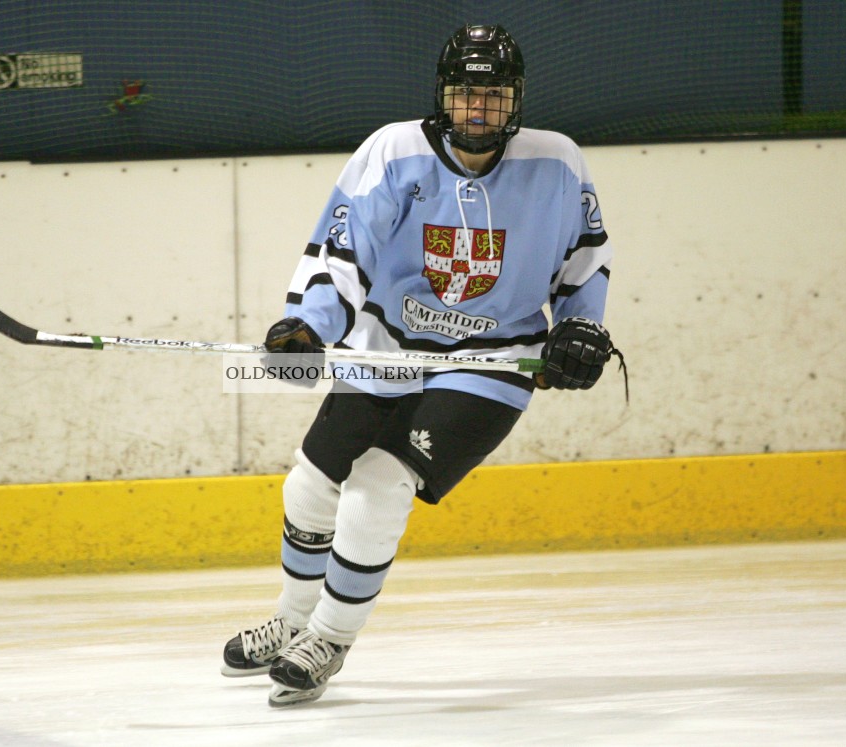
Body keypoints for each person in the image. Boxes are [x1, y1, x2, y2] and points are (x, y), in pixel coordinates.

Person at [221, 23, 621, 707]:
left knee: (380, 482)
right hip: (388, 351)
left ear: (514, 100)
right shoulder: (393, 149)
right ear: (444, 95)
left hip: (493, 361)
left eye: (493, 96)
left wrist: (581, 328)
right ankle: (290, 620)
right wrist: (308, 328)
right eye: (467, 94)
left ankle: (328, 638)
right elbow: (341, 254)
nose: (479, 109)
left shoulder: (557, 162)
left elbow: (584, 263)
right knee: (309, 487)